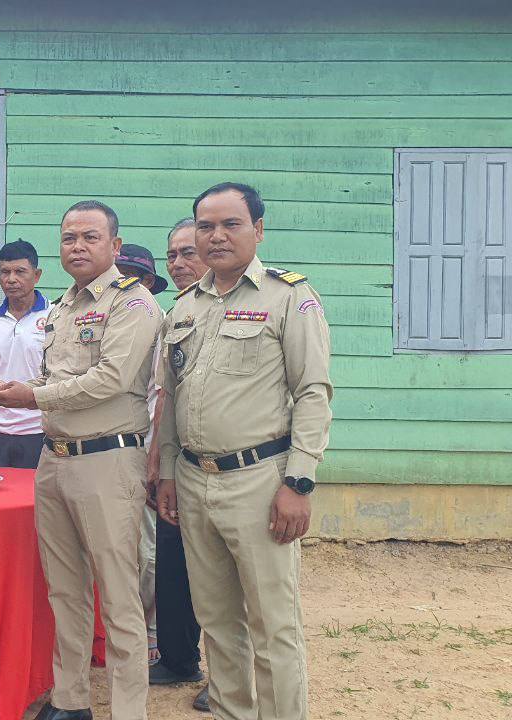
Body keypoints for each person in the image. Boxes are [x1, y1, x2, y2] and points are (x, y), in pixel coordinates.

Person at [156, 183, 332, 720]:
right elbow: (172, 395)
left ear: (257, 229)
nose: (216, 236)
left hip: (260, 481)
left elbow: (313, 392)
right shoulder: (184, 307)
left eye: (230, 224)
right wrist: (168, 473)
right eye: (205, 226)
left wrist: (298, 482)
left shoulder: (288, 297)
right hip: (194, 479)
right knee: (216, 622)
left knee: (273, 626)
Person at [0, 201, 162, 720]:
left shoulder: (133, 304)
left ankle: (128, 710)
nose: (78, 247)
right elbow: (53, 377)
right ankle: (70, 700)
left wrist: (32, 397)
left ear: (114, 245)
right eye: (69, 238)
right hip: (55, 459)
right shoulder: (61, 308)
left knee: (119, 595)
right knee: (64, 590)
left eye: (90, 237)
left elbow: (110, 379)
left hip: (107, 460)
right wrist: (12, 389)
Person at [152, 218, 212, 712]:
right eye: (172, 255)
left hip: (231, 467)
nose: (178, 264)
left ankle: (232, 676)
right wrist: (160, 460)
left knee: (223, 578)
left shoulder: (254, 307)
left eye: (188, 253)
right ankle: (177, 658)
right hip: (179, 462)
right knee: (173, 567)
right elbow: (167, 397)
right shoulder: (176, 315)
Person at [114, 243, 168, 671]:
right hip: (109, 450)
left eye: (135, 276)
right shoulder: (106, 321)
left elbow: (164, 397)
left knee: (147, 550)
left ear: (149, 283)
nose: (126, 283)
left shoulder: (162, 324)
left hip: (148, 448)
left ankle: (148, 628)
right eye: (119, 274)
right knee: (115, 547)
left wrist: (156, 458)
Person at [0, 239, 51, 470]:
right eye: (5, 272)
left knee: (34, 492)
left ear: (36, 275)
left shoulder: (54, 315)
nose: (11, 279)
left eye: (20, 271)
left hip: (38, 430)